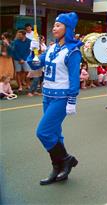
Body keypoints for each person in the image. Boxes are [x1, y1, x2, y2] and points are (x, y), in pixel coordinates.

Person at [27, 12, 82, 185]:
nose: (54, 27)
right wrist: (33, 49)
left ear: (68, 29)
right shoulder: (52, 48)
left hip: (62, 97)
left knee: (43, 132)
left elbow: (74, 78)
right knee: (55, 133)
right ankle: (58, 167)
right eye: (55, 25)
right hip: (47, 96)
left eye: (59, 25)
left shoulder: (72, 51)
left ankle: (65, 159)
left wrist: (72, 100)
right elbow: (35, 64)